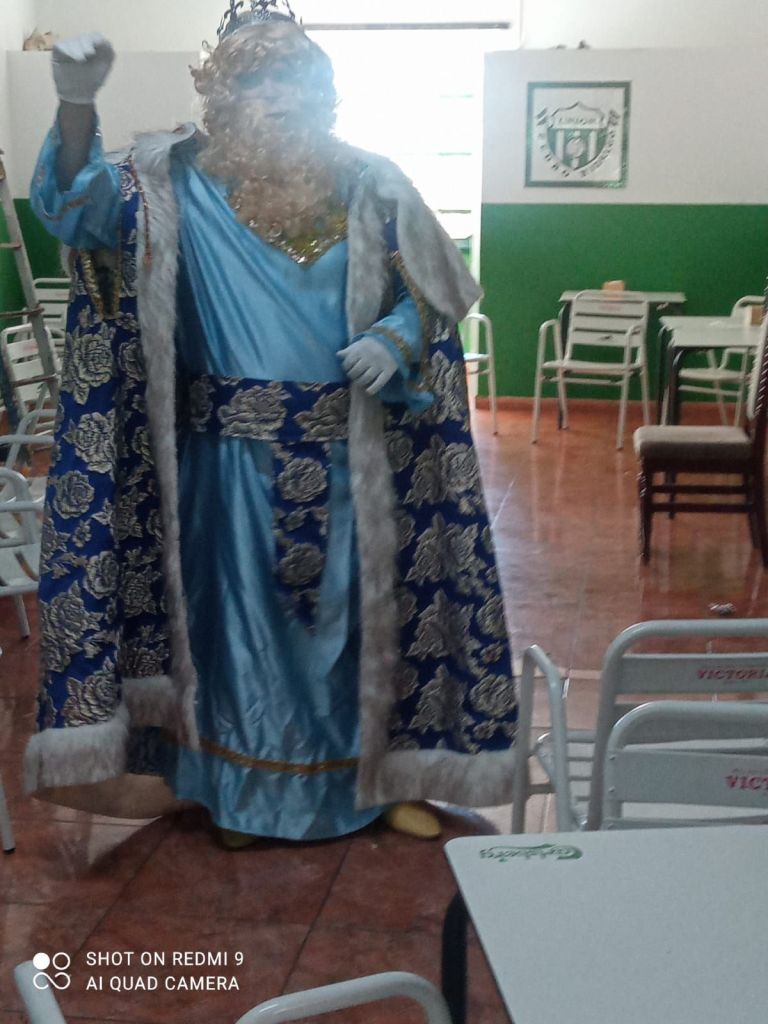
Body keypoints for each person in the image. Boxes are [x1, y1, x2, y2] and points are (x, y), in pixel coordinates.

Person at [25, 0, 518, 846]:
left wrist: (395, 339)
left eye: (293, 76)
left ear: (321, 91)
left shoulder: (371, 182)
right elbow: (75, 213)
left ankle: (375, 783)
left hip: (356, 459)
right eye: (256, 79)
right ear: (221, 93)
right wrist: (76, 108)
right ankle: (243, 795)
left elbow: (439, 288)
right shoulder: (166, 183)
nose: (278, 94)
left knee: (359, 634)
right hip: (223, 466)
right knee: (237, 635)